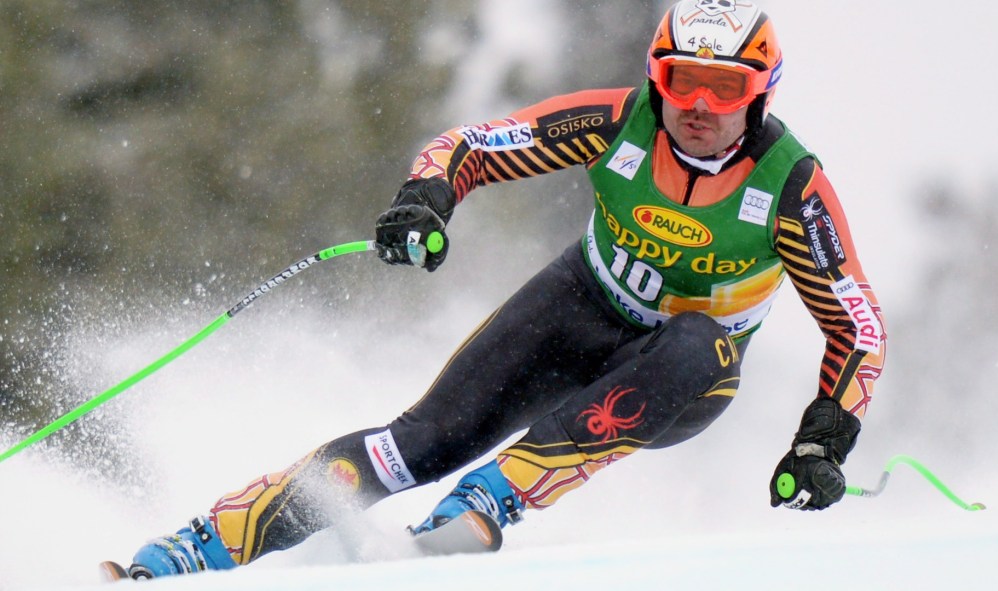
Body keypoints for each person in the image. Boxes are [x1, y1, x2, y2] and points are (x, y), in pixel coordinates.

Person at [121, 0, 886, 578]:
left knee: (698, 339)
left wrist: (822, 439)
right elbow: (472, 146)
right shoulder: (618, 121)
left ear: (760, 93)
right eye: (682, 82)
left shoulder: (791, 187)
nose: (699, 108)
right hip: (580, 307)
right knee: (417, 443)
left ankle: (490, 497)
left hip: (681, 376)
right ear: (658, 78)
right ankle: (189, 553)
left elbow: (857, 325)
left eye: (725, 88)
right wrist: (425, 199)